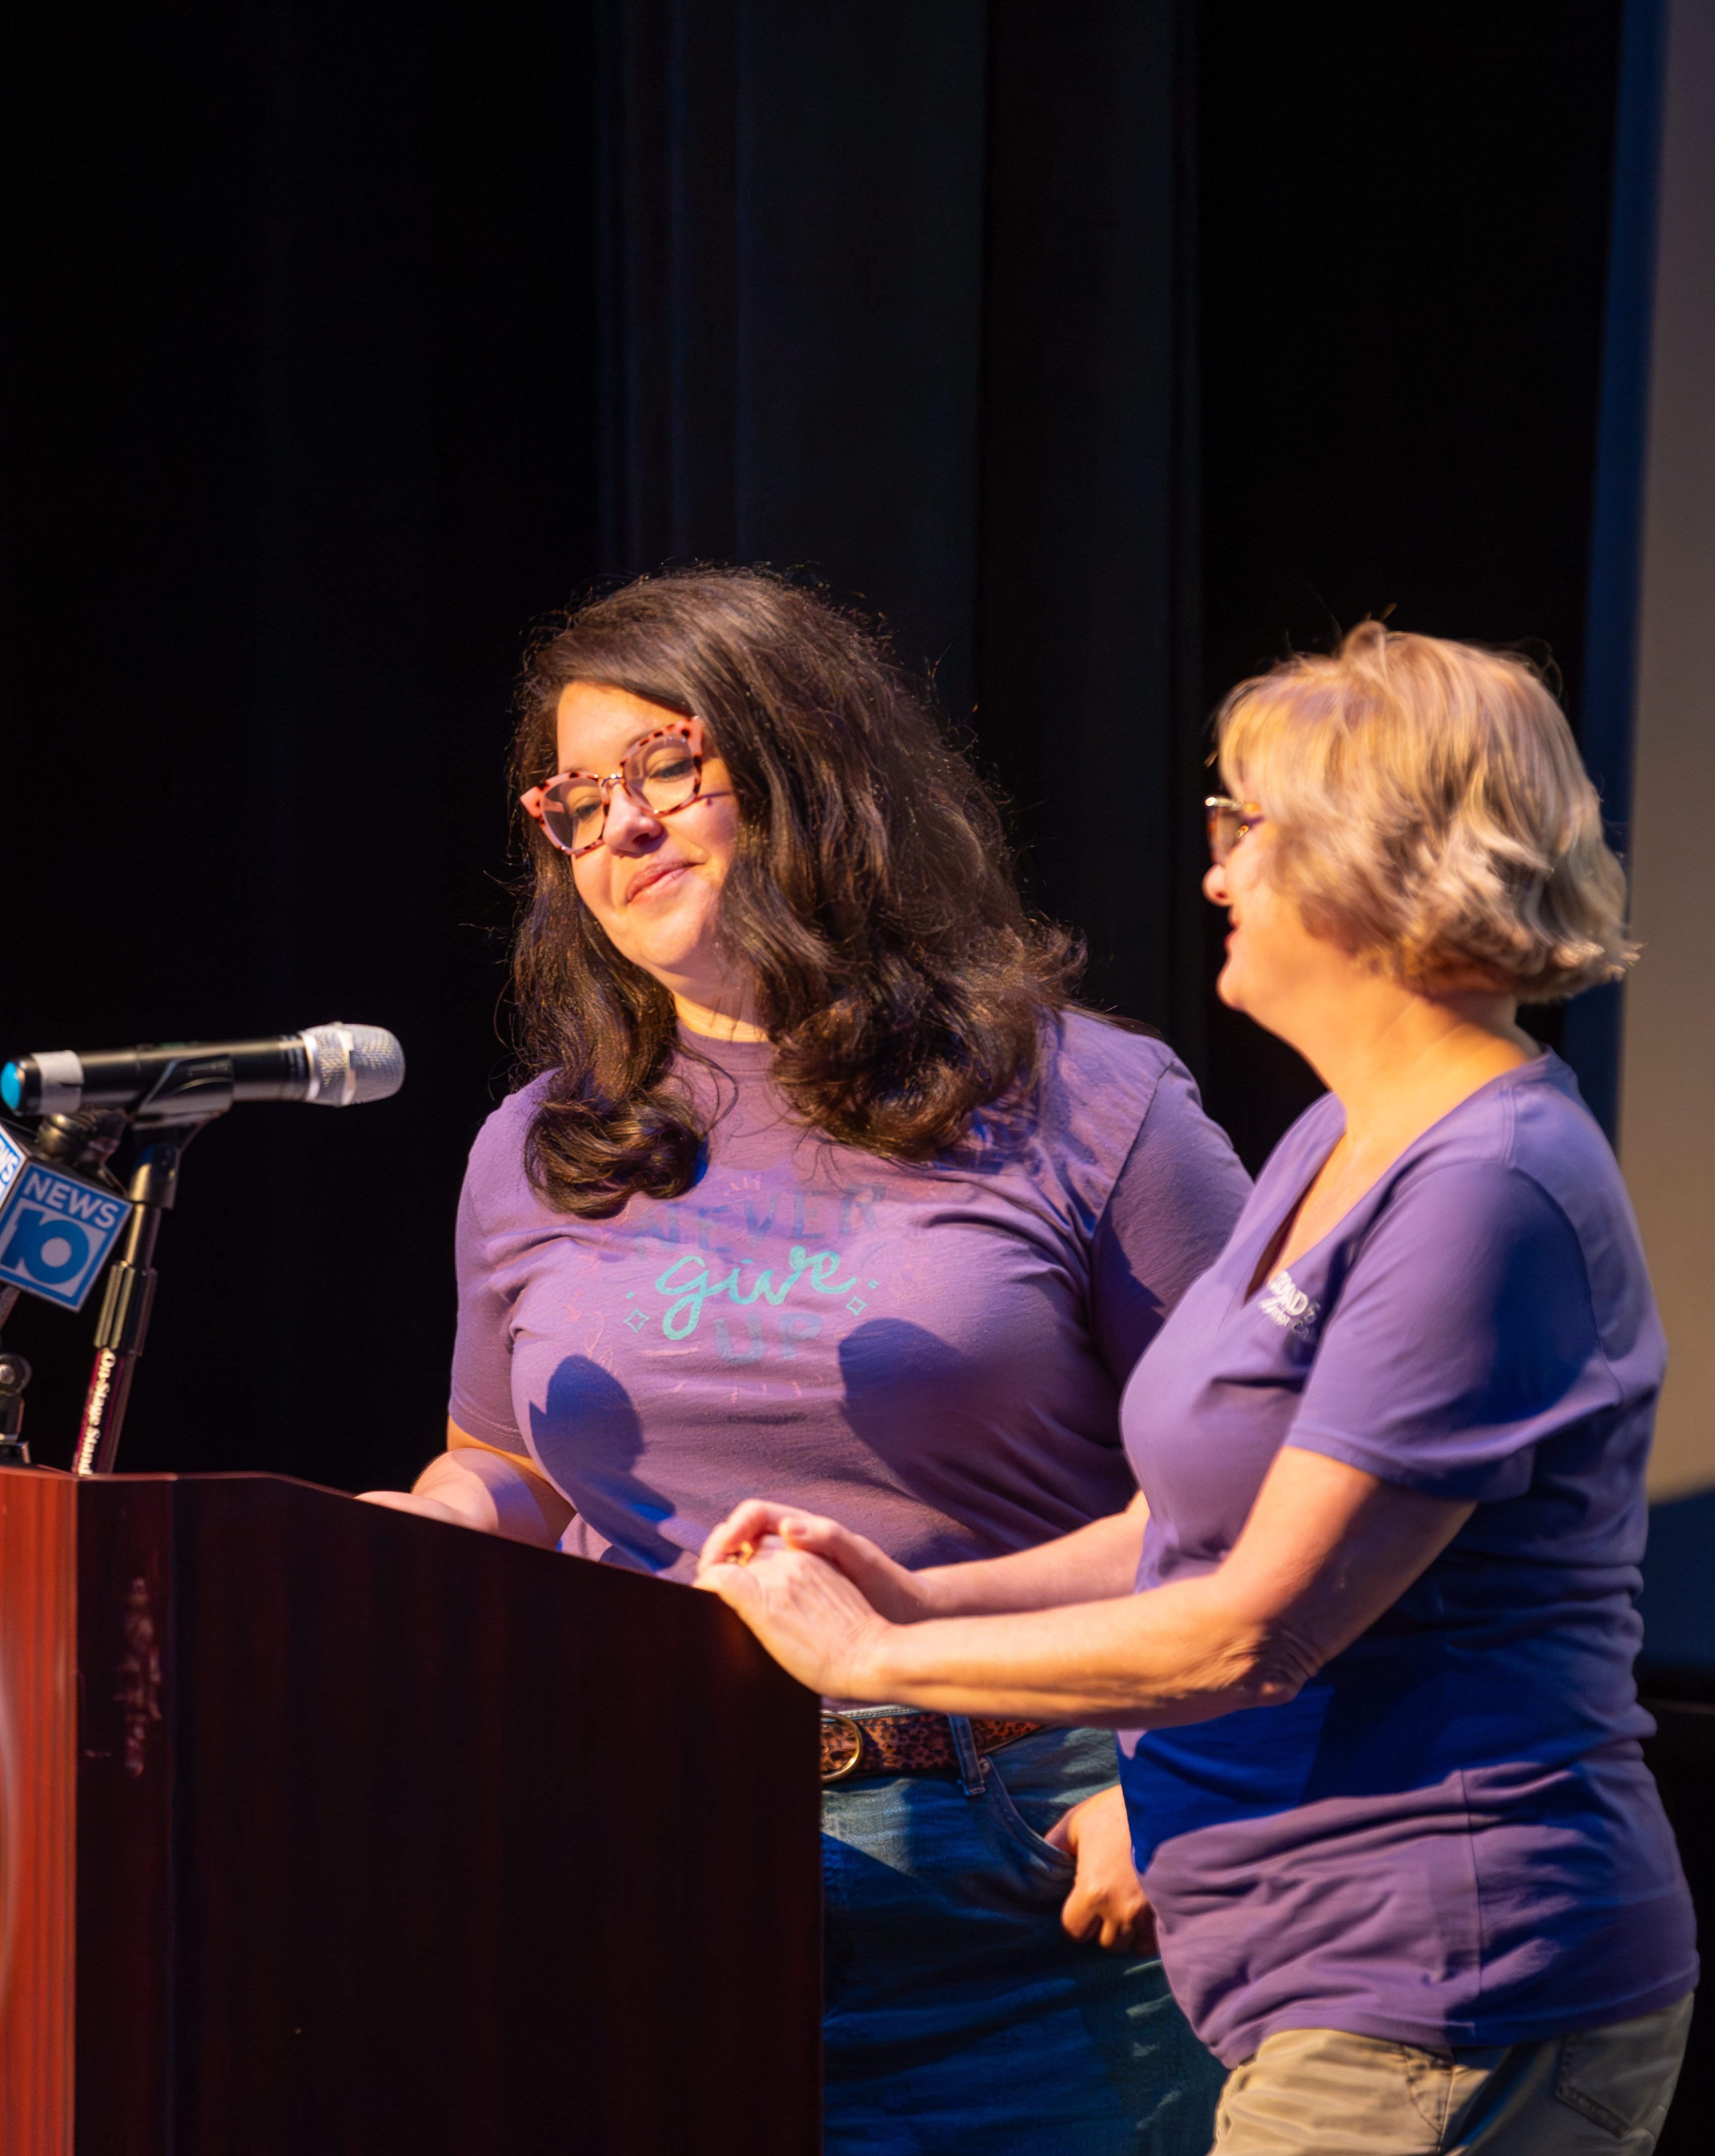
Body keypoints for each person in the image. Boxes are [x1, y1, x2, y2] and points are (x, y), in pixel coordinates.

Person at [695, 623, 1698, 2156]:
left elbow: (1257, 1627)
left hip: (1454, 1986)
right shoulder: (1336, 1142)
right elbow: (1190, 1521)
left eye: (1246, 827)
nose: (1215, 871)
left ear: (1379, 860)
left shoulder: (1487, 1187)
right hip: (1331, 1986)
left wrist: (873, 1660)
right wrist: (927, 1600)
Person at [359, 569, 1254, 2154]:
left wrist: (1186, 1786)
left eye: (669, 769)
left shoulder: (1089, 1102)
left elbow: (1265, 1504)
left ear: (810, 772)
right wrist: (429, 1533)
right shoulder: (535, 1150)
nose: (619, 828)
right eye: (576, 798)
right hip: (632, 1856)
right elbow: (502, 1464)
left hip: (1028, 1865)